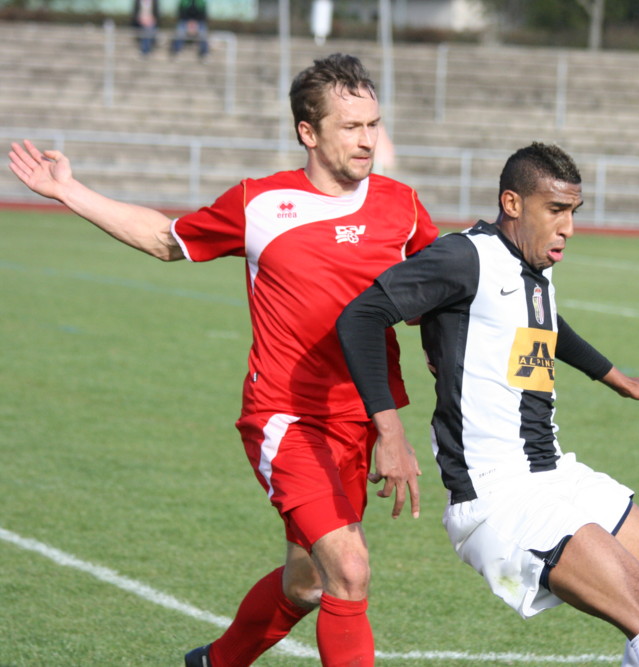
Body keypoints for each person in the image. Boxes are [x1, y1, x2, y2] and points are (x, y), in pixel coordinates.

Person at [7, 53, 438, 667]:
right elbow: (165, 240)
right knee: (349, 570)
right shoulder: (259, 202)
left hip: (357, 422)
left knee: (307, 583)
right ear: (308, 133)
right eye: (351, 126)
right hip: (286, 417)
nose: (367, 139)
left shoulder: (401, 206)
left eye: (372, 124)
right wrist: (68, 190)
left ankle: (214, 662)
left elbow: (440, 297)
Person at [337, 142, 639, 667]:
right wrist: (390, 433)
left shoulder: (534, 261)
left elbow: (547, 324)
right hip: (496, 497)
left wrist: (620, 379)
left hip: (554, 474)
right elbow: (359, 317)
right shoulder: (464, 256)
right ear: (512, 204)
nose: (568, 228)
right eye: (555, 210)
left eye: (573, 212)